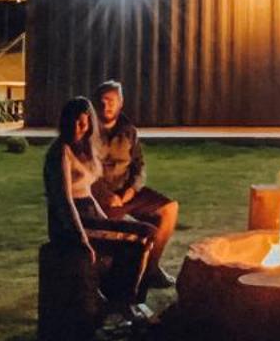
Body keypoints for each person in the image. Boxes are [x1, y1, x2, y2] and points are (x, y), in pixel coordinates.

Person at [43, 96, 151, 319]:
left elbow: (88, 192)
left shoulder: (84, 149)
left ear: (90, 124)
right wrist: (82, 239)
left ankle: (126, 298)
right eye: (73, 121)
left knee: (147, 233)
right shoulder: (60, 152)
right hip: (71, 221)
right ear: (64, 122)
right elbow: (64, 201)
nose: (78, 127)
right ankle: (122, 301)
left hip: (89, 213)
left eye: (83, 122)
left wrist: (108, 221)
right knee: (131, 245)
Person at [91, 78, 179, 297]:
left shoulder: (129, 131)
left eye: (111, 101)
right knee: (133, 234)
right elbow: (85, 173)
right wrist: (105, 194)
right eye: (101, 101)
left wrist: (132, 189)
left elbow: (139, 165)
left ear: (120, 103)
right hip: (102, 197)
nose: (106, 106)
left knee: (169, 209)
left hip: (127, 192)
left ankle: (152, 268)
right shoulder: (88, 131)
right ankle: (121, 286)